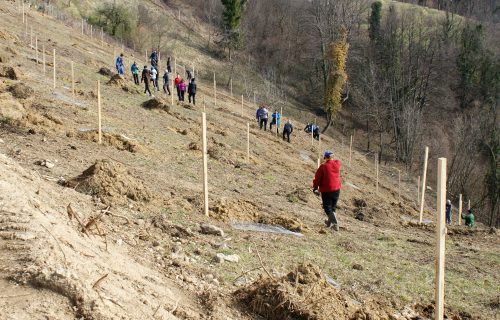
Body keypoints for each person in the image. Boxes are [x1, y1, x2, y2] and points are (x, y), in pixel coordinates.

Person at [313, 151, 342, 231]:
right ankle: (329, 223)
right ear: (333, 157)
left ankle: (335, 224)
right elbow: (337, 161)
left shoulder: (323, 166)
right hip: (337, 189)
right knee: (333, 207)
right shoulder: (337, 164)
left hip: (327, 190)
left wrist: (315, 187)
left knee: (327, 207)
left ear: (325, 157)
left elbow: (317, 178)